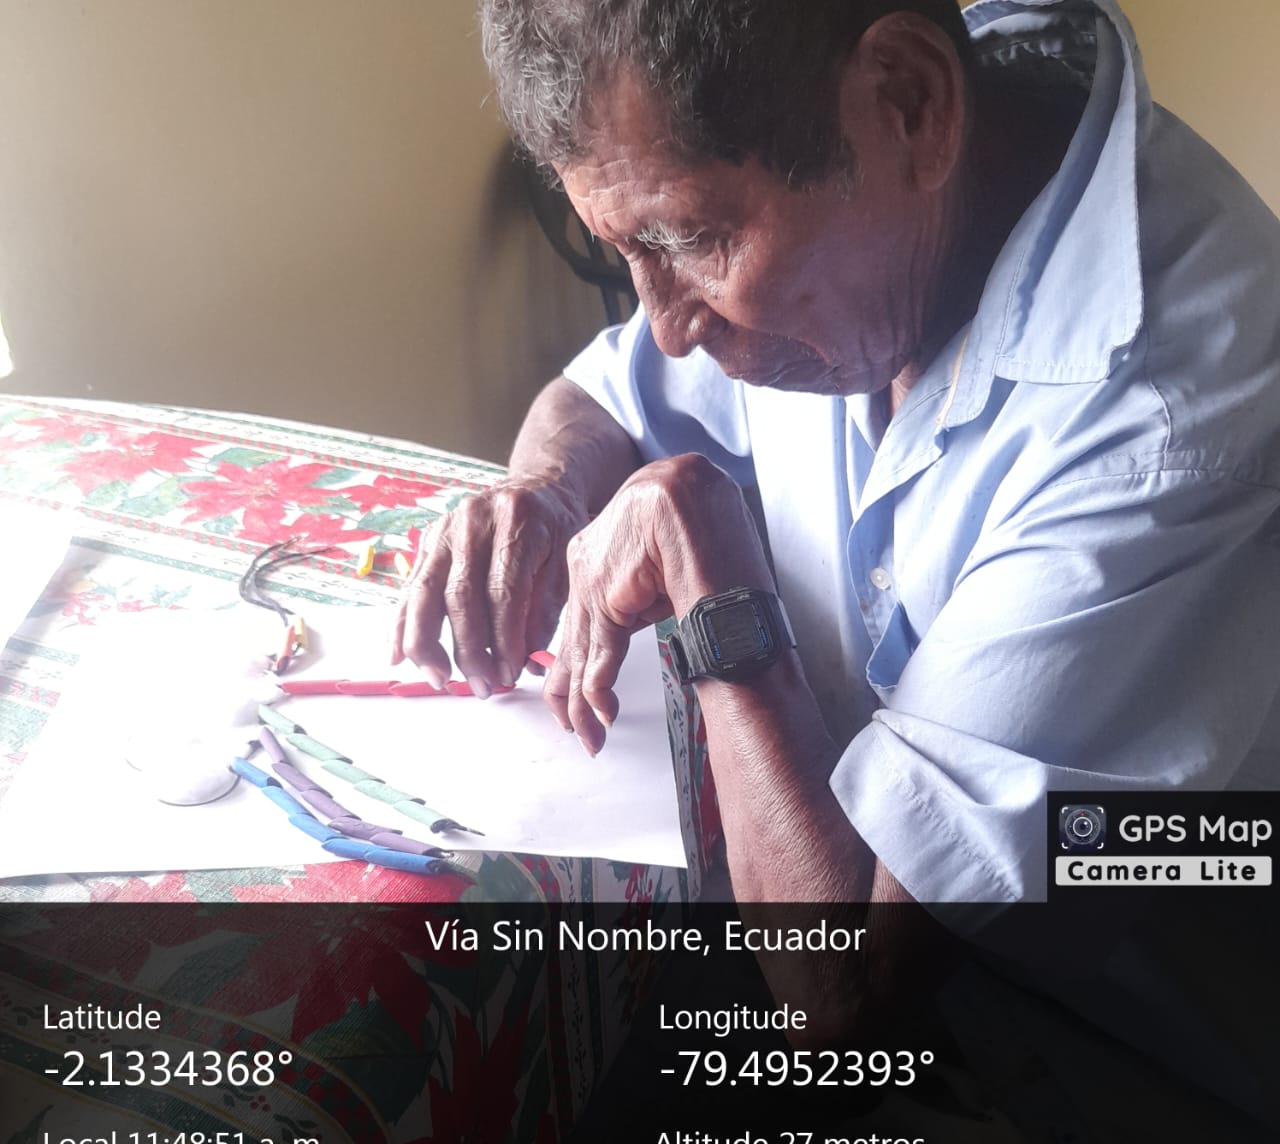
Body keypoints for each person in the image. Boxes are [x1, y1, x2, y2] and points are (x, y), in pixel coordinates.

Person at [393, 0, 1280, 1033]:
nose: (666, 327)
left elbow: (839, 1000)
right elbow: (602, 398)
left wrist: (711, 575)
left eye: (690, 239)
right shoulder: (862, 175)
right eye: (627, 248)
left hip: (1111, 1053)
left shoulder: (1163, 418)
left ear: (911, 102)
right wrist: (543, 492)